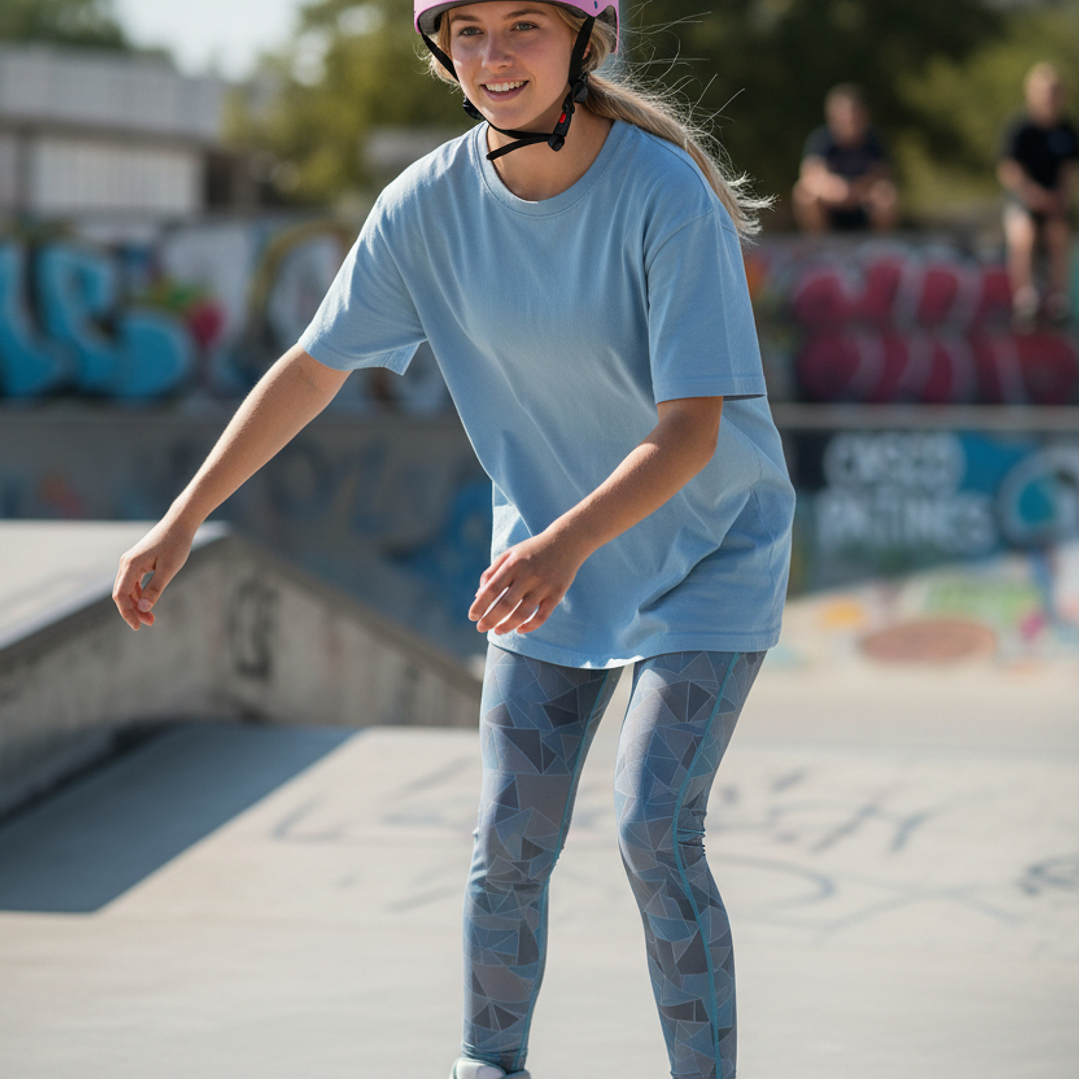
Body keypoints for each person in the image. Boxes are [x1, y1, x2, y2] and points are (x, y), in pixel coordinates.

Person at [113, 3, 795, 1078]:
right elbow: (311, 366)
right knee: (506, 844)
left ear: (584, 42)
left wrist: (559, 547)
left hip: (706, 551)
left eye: (525, 24)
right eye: (466, 31)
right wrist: (184, 516)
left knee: (652, 827)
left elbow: (690, 432)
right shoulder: (424, 206)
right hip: (547, 562)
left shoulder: (660, 195)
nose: (493, 55)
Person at [998, 62, 1078, 327]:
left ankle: (1058, 298)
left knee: (1059, 234)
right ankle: (1025, 297)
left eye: (1055, 90)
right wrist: (1034, 195)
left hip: (1054, 204)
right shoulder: (1020, 128)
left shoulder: (1066, 130)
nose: (1050, 96)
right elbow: (1009, 170)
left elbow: (1070, 169)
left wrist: (1060, 197)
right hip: (1024, 201)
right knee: (1024, 234)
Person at [792, 82, 898, 233]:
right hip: (831, 207)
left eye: (854, 114)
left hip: (863, 206)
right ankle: (818, 246)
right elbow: (811, 174)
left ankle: (880, 246)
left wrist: (856, 191)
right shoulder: (821, 139)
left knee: (886, 194)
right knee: (804, 194)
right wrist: (837, 190)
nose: (849, 119)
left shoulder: (874, 140)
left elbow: (883, 175)